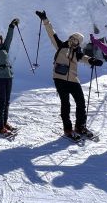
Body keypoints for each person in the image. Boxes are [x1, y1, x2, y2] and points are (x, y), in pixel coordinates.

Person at [36, 11, 102, 140]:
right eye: (72, 38)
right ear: (69, 38)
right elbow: (51, 34)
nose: (73, 41)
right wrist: (45, 19)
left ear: (78, 43)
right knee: (65, 104)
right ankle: (68, 129)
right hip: (59, 78)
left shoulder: (77, 53)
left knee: (81, 103)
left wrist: (92, 60)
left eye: (76, 40)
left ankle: (80, 126)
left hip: (73, 79)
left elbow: (85, 58)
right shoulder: (61, 46)